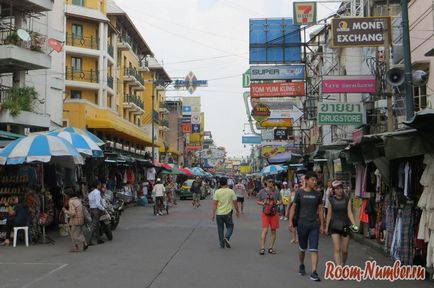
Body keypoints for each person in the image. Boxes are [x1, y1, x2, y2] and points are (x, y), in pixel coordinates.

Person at [288, 171, 325, 282]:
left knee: (314, 249)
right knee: (302, 249)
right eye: (312, 180)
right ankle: (302, 264)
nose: (314, 182)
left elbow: (320, 210)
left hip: (314, 225)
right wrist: (290, 221)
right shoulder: (299, 193)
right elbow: (293, 207)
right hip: (302, 224)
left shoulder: (318, 194)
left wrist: (322, 225)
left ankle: (314, 272)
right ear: (307, 180)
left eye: (315, 180)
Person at [325, 180, 358, 266]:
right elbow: (329, 215)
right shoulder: (331, 200)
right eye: (337, 188)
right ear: (334, 190)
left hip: (345, 226)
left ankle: (343, 263)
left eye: (341, 188)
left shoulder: (347, 199)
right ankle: (339, 268)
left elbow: (350, 213)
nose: (340, 190)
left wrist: (354, 224)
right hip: (334, 226)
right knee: (337, 249)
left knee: (345, 250)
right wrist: (326, 227)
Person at [211, 177, 240, 248]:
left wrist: (213, 214)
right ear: (226, 183)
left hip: (219, 214)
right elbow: (235, 202)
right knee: (230, 226)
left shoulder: (217, 191)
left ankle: (222, 244)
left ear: (219, 183)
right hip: (228, 213)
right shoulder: (231, 191)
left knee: (220, 229)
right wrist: (237, 211)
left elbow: (215, 204)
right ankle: (226, 237)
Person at [257, 176, 282, 255]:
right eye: (269, 181)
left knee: (273, 230)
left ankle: (271, 247)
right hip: (265, 213)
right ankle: (262, 248)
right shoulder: (262, 191)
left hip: (274, 213)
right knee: (265, 230)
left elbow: (281, 201)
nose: (271, 183)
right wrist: (263, 203)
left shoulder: (277, 191)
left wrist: (276, 203)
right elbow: (257, 201)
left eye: (272, 181)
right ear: (266, 182)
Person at [63, 187, 87, 252]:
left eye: (65, 195)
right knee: (79, 233)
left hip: (75, 220)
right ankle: (82, 245)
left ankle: (80, 245)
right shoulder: (77, 199)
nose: (64, 196)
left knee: (74, 235)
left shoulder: (71, 201)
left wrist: (65, 211)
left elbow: (72, 213)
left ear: (68, 195)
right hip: (81, 219)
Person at [88, 180, 105, 245]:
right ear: (97, 185)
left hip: (91, 209)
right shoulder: (97, 192)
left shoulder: (91, 193)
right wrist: (103, 209)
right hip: (96, 210)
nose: (101, 185)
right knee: (94, 225)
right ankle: (89, 241)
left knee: (96, 225)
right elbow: (98, 204)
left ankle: (99, 239)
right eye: (100, 184)